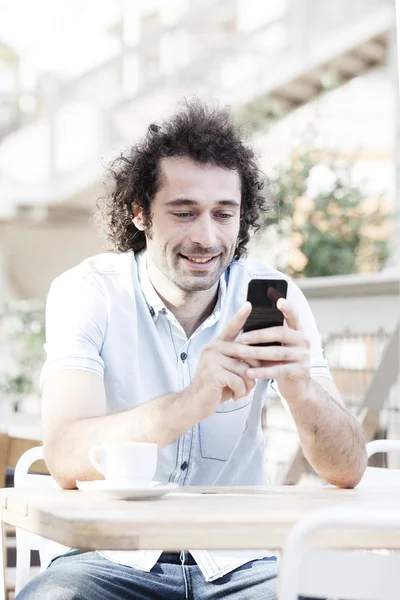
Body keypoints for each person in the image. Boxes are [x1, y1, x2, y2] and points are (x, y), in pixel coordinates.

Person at [16, 100, 367, 600]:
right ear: (140, 213)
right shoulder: (89, 292)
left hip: (243, 562)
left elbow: (347, 469)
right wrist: (190, 403)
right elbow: (66, 455)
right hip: (107, 560)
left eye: (224, 214)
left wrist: (303, 392)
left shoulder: (275, 293)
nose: (206, 238)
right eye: (184, 213)